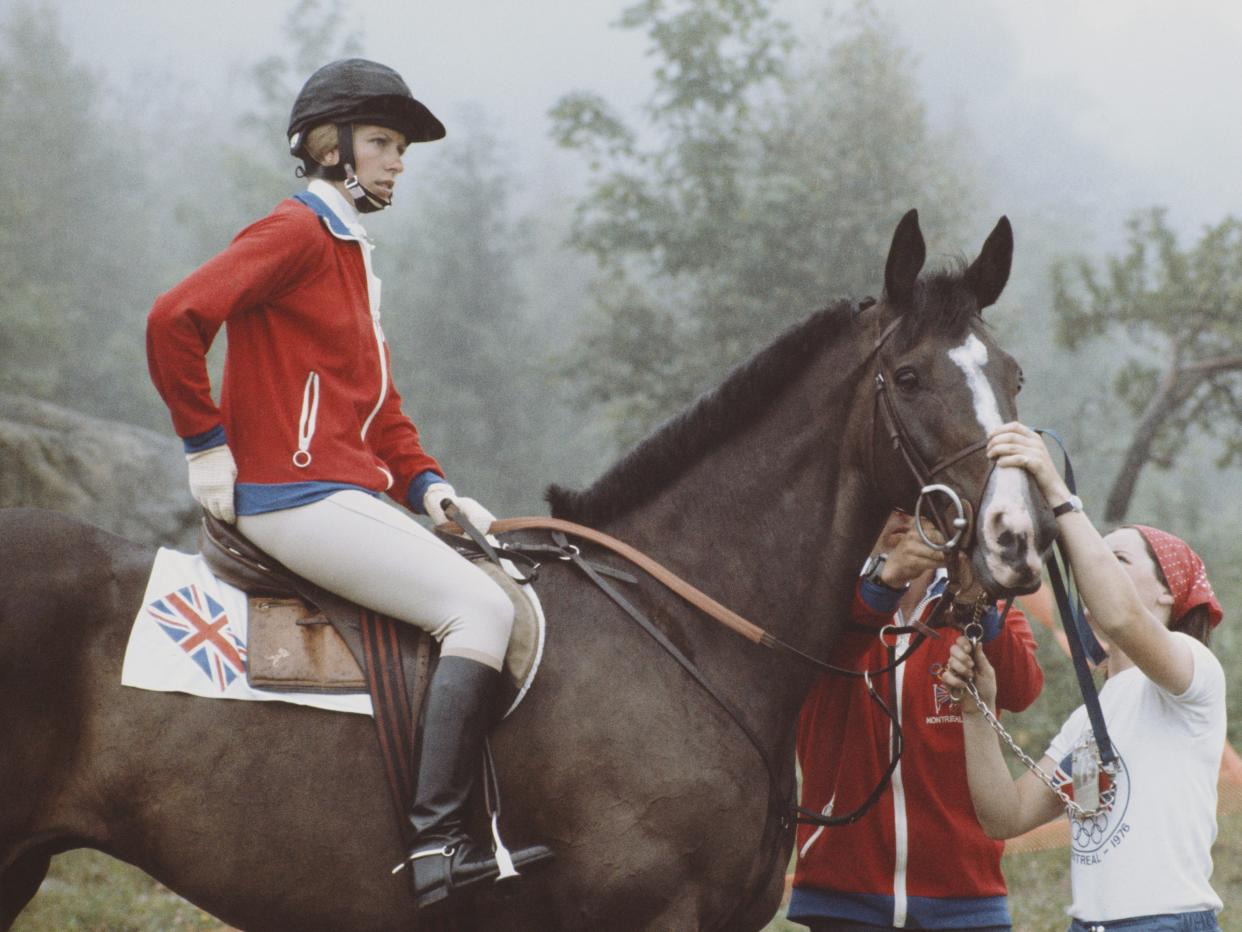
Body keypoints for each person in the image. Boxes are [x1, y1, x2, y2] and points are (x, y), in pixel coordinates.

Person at [146, 58, 551, 913]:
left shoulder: (348, 254)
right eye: (382, 142)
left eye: (400, 147)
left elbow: (380, 411)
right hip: (293, 500)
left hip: (349, 494)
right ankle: (439, 842)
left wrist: (431, 487)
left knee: (501, 583)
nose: (397, 160)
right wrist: (205, 445)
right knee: (480, 611)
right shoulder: (294, 233)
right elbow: (173, 319)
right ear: (325, 147)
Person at [942, 421, 1226, 932]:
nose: (1096, 574)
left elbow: (1121, 615)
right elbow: (1004, 817)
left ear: (1168, 593)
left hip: (1163, 921)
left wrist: (1056, 491)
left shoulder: (1192, 672)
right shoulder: (1087, 720)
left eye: (1117, 560)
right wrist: (974, 710)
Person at [789, 511, 1044, 931]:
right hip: (842, 893)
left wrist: (976, 606)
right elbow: (814, 665)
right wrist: (881, 587)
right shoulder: (825, 595)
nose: (905, 517)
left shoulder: (977, 600)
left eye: (920, 504)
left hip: (965, 894)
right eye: (889, 503)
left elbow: (1023, 690)